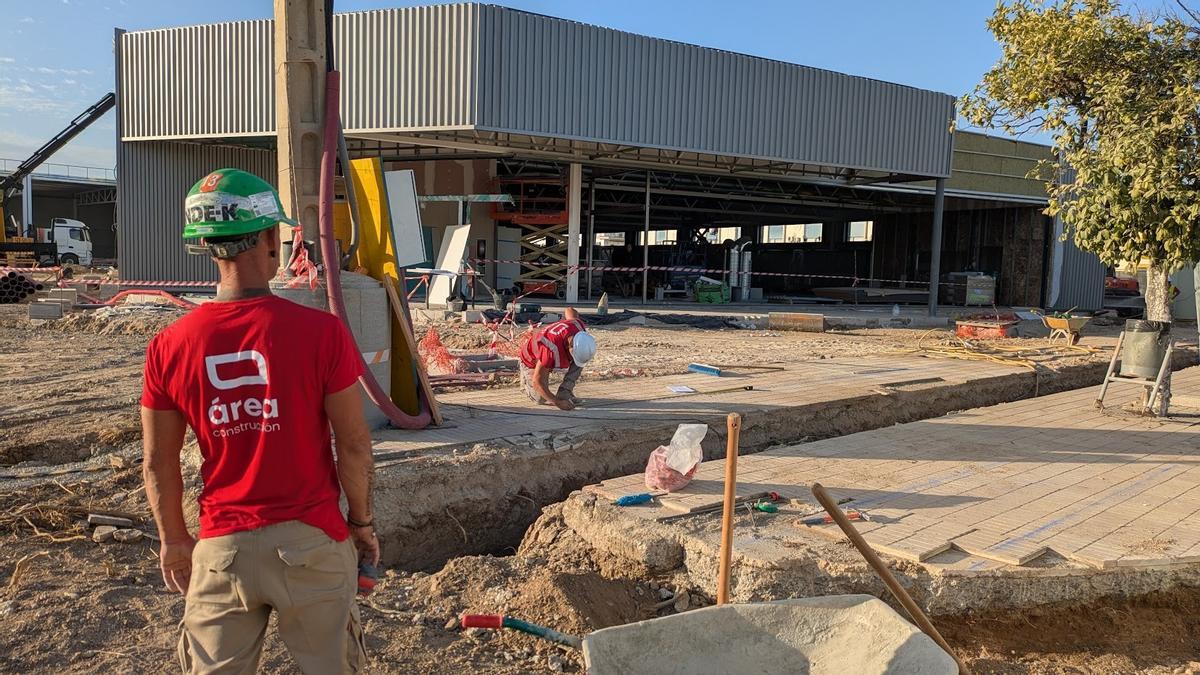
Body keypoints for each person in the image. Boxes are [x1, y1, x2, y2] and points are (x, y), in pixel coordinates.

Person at [140, 168, 378, 674]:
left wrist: (174, 540)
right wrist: (360, 523)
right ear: (271, 237)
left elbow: (157, 462)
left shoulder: (169, 345)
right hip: (312, 540)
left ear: (207, 246)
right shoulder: (321, 333)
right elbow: (354, 443)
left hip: (223, 548)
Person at [519, 307, 597, 410]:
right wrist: (557, 402)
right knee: (540, 398)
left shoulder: (578, 326)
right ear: (570, 346)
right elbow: (537, 382)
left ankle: (565, 392)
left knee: (582, 359)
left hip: (551, 351)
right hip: (531, 359)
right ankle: (525, 382)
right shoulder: (551, 350)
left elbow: (569, 310)